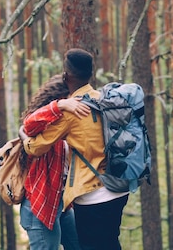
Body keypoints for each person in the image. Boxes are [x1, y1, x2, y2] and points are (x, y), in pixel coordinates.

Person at [21, 48, 129, 250]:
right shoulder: (103, 99)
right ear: (90, 74)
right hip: (119, 189)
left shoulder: (72, 111)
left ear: (66, 75)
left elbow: (34, 145)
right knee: (110, 243)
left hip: (92, 196)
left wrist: (25, 137)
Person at [18, 74, 88, 250]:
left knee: (79, 245)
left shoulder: (67, 127)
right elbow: (28, 126)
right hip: (40, 207)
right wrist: (59, 105)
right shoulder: (45, 128)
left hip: (61, 206)